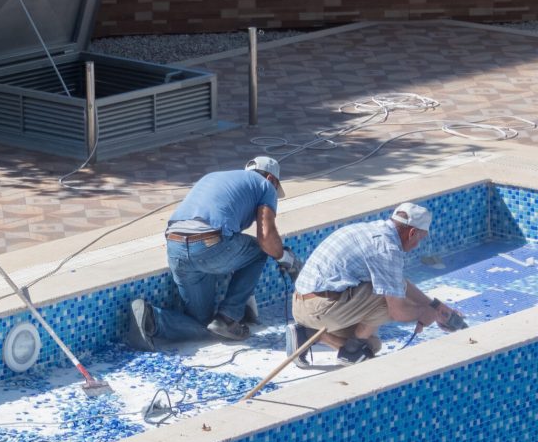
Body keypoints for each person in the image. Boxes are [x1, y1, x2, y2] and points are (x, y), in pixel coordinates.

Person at [127, 157, 302, 350]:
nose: (274, 196)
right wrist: (285, 258)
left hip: (175, 245)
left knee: (204, 323)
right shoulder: (265, 185)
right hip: (208, 245)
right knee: (260, 251)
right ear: (271, 178)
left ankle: (151, 318)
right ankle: (228, 317)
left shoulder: (215, 177)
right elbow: (266, 237)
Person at [288, 202, 464, 366]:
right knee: (388, 300)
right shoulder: (387, 249)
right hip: (319, 310)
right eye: (421, 238)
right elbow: (398, 311)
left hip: (302, 304)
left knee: (373, 344)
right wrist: (424, 313)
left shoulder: (372, 231)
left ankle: (307, 334)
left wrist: (434, 305)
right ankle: (352, 351)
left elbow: (397, 282)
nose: (418, 244)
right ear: (412, 233)